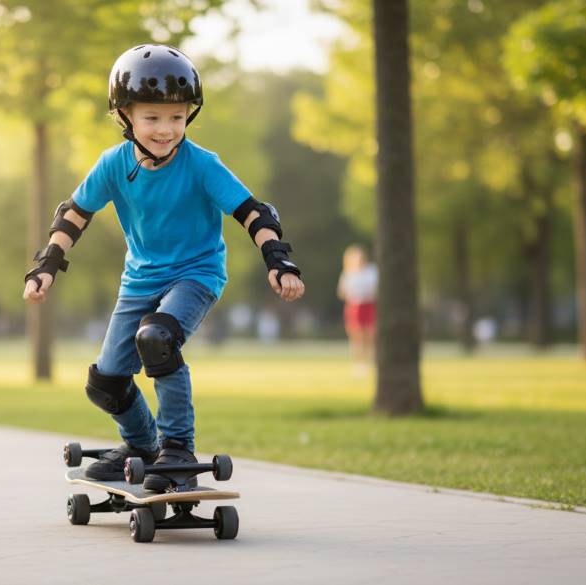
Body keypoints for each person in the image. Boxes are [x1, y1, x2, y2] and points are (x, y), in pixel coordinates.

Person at [22, 44, 305, 491]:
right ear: (126, 116)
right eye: (152, 117)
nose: (166, 129)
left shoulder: (202, 165)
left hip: (196, 274)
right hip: (139, 280)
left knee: (157, 338)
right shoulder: (113, 165)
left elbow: (253, 212)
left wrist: (277, 259)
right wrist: (46, 266)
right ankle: (141, 446)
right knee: (105, 383)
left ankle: (176, 448)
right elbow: (74, 214)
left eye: (177, 117)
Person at [337, 245, 378, 371]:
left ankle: (369, 360)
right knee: (356, 335)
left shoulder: (371, 271)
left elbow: (376, 289)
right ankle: (359, 362)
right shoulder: (348, 273)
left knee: (370, 334)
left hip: (368, 304)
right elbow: (341, 292)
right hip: (354, 305)